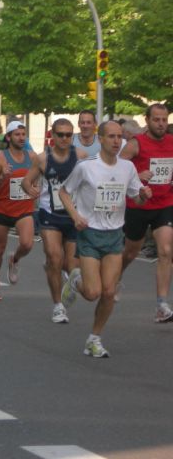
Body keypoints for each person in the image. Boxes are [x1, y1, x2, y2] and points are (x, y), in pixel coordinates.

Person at [59, 121, 152, 357]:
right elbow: (64, 192)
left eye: (119, 137)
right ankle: (75, 279)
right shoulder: (86, 167)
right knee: (92, 293)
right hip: (90, 233)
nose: (116, 141)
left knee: (109, 292)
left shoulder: (127, 167)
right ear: (100, 138)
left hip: (114, 235)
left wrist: (143, 195)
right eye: (111, 136)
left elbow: (137, 198)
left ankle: (94, 338)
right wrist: (75, 215)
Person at [22, 118, 88, 323]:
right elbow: (26, 181)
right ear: (52, 135)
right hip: (50, 214)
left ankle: (59, 272)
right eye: (60, 134)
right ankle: (58, 306)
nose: (64, 138)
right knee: (53, 255)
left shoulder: (81, 156)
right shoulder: (43, 159)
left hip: (74, 216)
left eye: (69, 135)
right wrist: (30, 190)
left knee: (70, 266)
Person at [118, 103, 173, 323]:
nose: (161, 124)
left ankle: (161, 305)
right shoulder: (136, 144)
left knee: (166, 250)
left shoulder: (172, 142)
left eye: (164, 120)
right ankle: (117, 275)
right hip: (139, 205)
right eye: (157, 119)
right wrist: (138, 174)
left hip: (165, 203)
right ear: (147, 120)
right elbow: (117, 168)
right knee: (131, 252)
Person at [0, 121, 37, 301]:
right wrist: (1, 177)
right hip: (3, 208)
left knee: (28, 244)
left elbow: (40, 177)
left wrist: (36, 188)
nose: (21, 138)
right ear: (8, 137)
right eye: (17, 134)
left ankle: (15, 259)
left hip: (24, 208)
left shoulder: (32, 156)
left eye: (23, 134)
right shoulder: (1, 157)